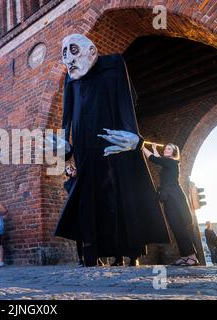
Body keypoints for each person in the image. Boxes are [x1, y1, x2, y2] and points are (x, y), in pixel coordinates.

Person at [56, 34, 170, 267]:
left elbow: (125, 100)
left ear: (91, 50)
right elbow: (66, 114)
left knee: (119, 192)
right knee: (89, 197)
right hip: (84, 144)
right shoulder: (71, 78)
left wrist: (133, 135)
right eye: (63, 53)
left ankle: (129, 252)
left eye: (73, 50)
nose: (68, 59)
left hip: (113, 141)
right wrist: (63, 143)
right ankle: (92, 251)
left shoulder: (114, 64)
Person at [143, 143, 199, 266]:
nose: (166, 149)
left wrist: (141, 147)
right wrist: (153, 148)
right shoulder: (167, 162)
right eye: (166, 148)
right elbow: (159, 159)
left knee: (180, 228)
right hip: (169, 198)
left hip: (174, 199)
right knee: (176, 228)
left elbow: (154, 159)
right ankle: (186, 256)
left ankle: (192, 257)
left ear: (174, 153)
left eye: (169, 148)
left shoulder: (173, 162)